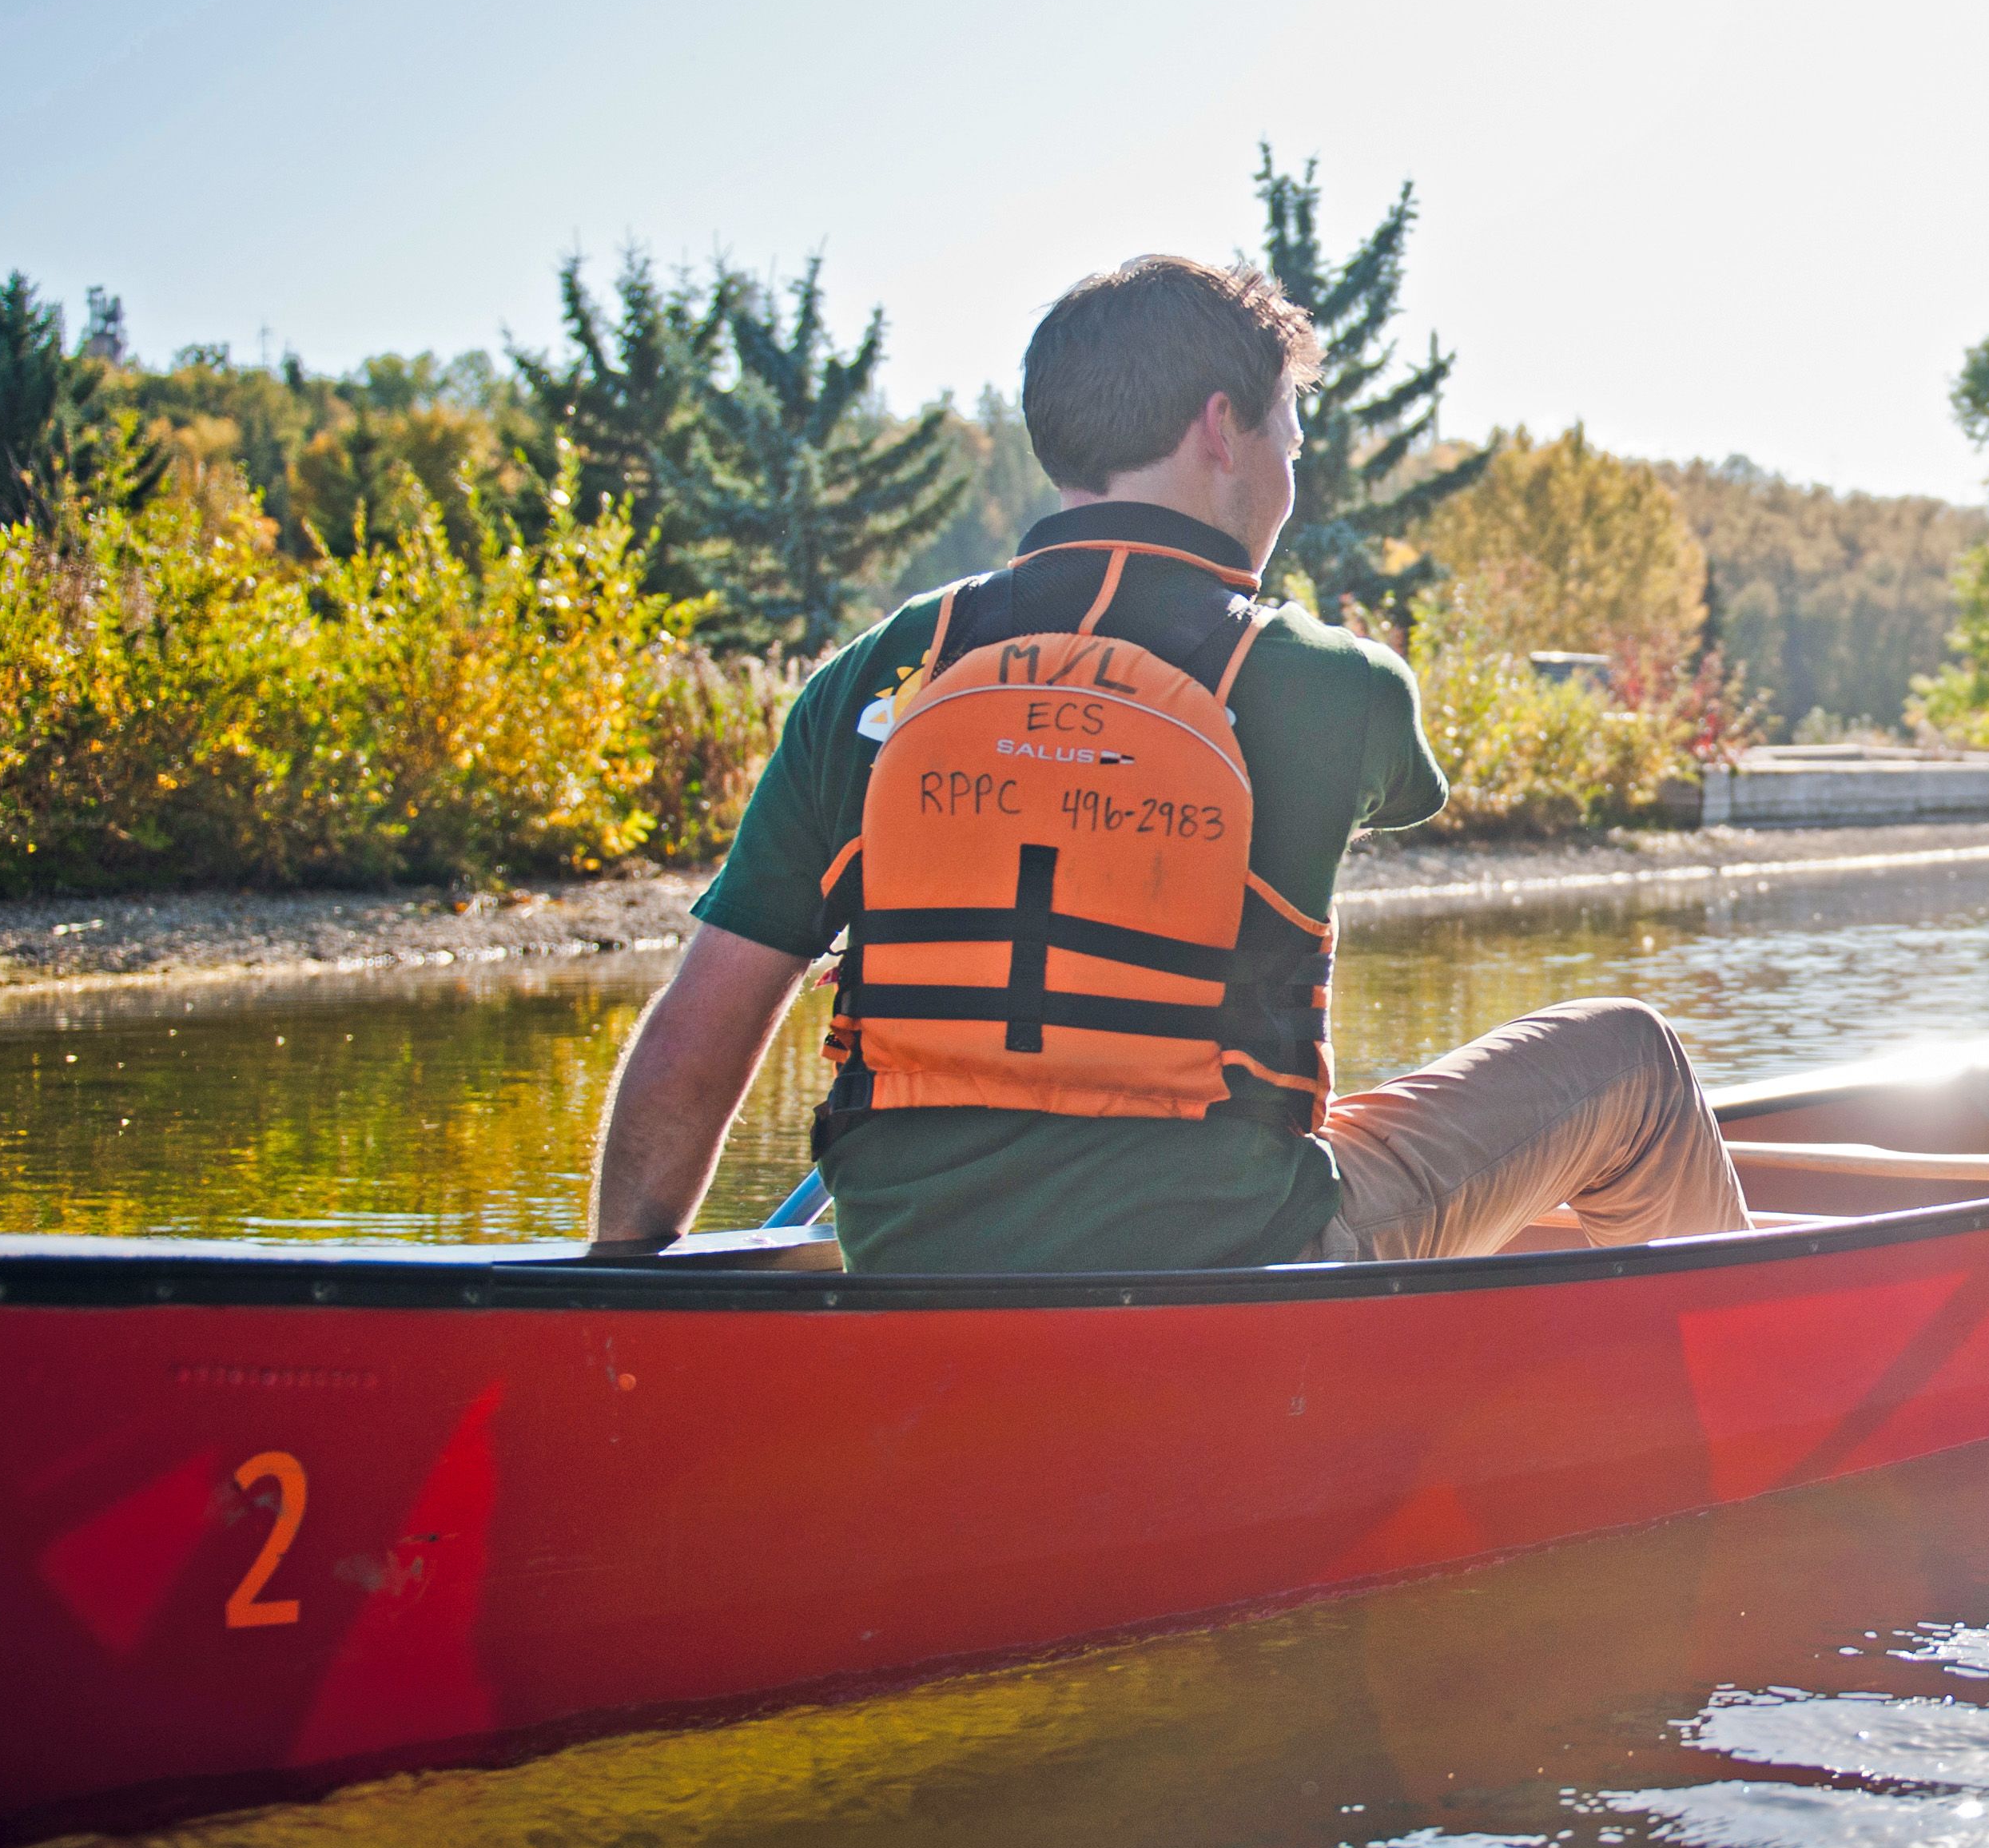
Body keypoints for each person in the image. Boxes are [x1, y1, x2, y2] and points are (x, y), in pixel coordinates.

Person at [587, 253, 1748, 1269]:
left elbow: (696, 1033)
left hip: (910, 1255)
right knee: (1633, 1061)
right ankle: (1737, 1384)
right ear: (1218, 429)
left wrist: (623, 1292)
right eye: (1288, 433)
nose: (1291, 476)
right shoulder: (1332, 683)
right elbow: (1409, 790)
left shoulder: (882, 669)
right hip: (1235, 1259)